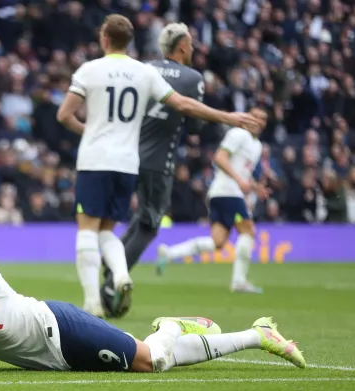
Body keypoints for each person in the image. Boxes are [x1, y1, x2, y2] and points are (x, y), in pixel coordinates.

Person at [0, 214, 305, 374]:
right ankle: (235, 333)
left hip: (57, 329)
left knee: (153, 361)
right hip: (43, 359)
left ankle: (231, 332)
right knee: (153, 360)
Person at [55, 14, 255, 318]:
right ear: (129, 40)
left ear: (104, 39)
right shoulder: (142, 73)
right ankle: (121, 274)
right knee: (109, 228)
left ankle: (93, 301)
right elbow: (184, 105)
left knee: (88, 228)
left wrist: (91, 131)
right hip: (127, 163)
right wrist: (228, 117)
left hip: (96, 159)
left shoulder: (90, 69)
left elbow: (63, 116)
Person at [99, 23, 205, 318]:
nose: (194, 49)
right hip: (158, 162)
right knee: (150, 223)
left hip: (125, 154)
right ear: (182, 46)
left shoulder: (142, 69)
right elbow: (195, 126)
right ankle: (111, 284)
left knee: (132, 217)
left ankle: (113, 257)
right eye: (192, 44)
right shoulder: (192, 77)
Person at [156, 106, 270, 293]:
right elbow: (220, 158)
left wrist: (255, 187)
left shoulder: (256, 146)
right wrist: (240, 181)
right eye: (254, 116)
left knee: (218, 242)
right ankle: (239, 281)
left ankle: (170, 253)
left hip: (223, 193)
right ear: (246, 117)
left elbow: (242, 170)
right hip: (227, 192)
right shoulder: (238, 134)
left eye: (262, 118)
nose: (258, 121)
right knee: (248, 231)